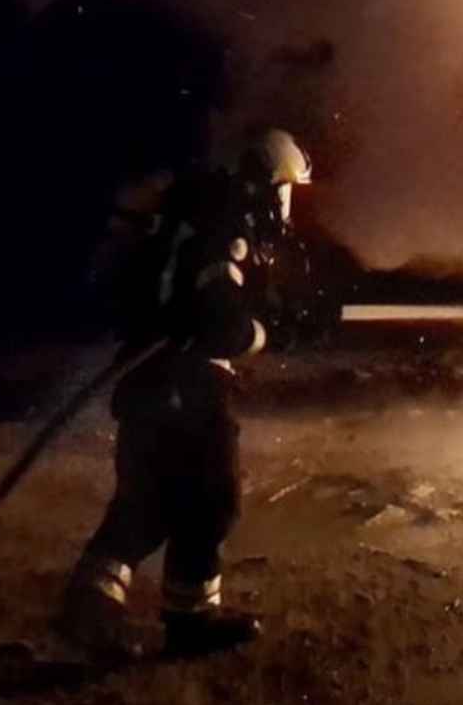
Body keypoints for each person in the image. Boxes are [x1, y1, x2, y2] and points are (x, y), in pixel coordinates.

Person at [57, 128, 313, 659]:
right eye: (286, 191)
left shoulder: (192, 217)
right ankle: (188, 620)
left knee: (145, 502)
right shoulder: (229, 229)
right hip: (188, 382)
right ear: (267, 187)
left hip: (149, 377)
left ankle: (92, 605)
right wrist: (263, 333)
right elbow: (217, 317)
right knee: (213, 498)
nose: (287, 207)